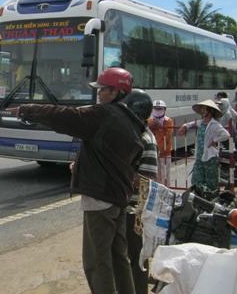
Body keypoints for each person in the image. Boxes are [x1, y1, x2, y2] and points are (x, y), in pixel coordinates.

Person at [14, 67, 144, 294]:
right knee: (118, 258)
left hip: (101, 200)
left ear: (115, 92)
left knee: (96, 262)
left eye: (102, 89)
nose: (99, 94)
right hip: (119, 198)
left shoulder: (104, 115)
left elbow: (64, 116)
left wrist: (27, 109)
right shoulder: (131, 122)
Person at [123, 89, 158, 294]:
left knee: (136, 256)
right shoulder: (133, 134)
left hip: (134, 211)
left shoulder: (146, 139)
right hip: (124, 205)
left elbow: (146, 178)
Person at [178, 99, 230, 191]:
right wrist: (185, 126)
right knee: (196, 180)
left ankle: (212, 200)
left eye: (205, 109)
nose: (202, 111)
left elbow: (226, 135)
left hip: (210, 157)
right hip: (199, 156)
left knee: (211, 182)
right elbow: (191, 124)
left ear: (210, 111)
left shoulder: (215, 124)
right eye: (202, 109)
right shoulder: (201, 122)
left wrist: (215, 140)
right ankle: (199, 198)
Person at [148, 100, 174, 185]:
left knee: (166, 175)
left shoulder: (168, 121)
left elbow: (168, 136)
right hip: (154, 152)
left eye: (160, 109)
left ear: (164, 109)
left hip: (165, 153)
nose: (157, 110)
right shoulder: (149, 120)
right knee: (155, 174)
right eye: (156, 108)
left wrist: (160, 126)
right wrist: (151, 126)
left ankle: (167, 191)